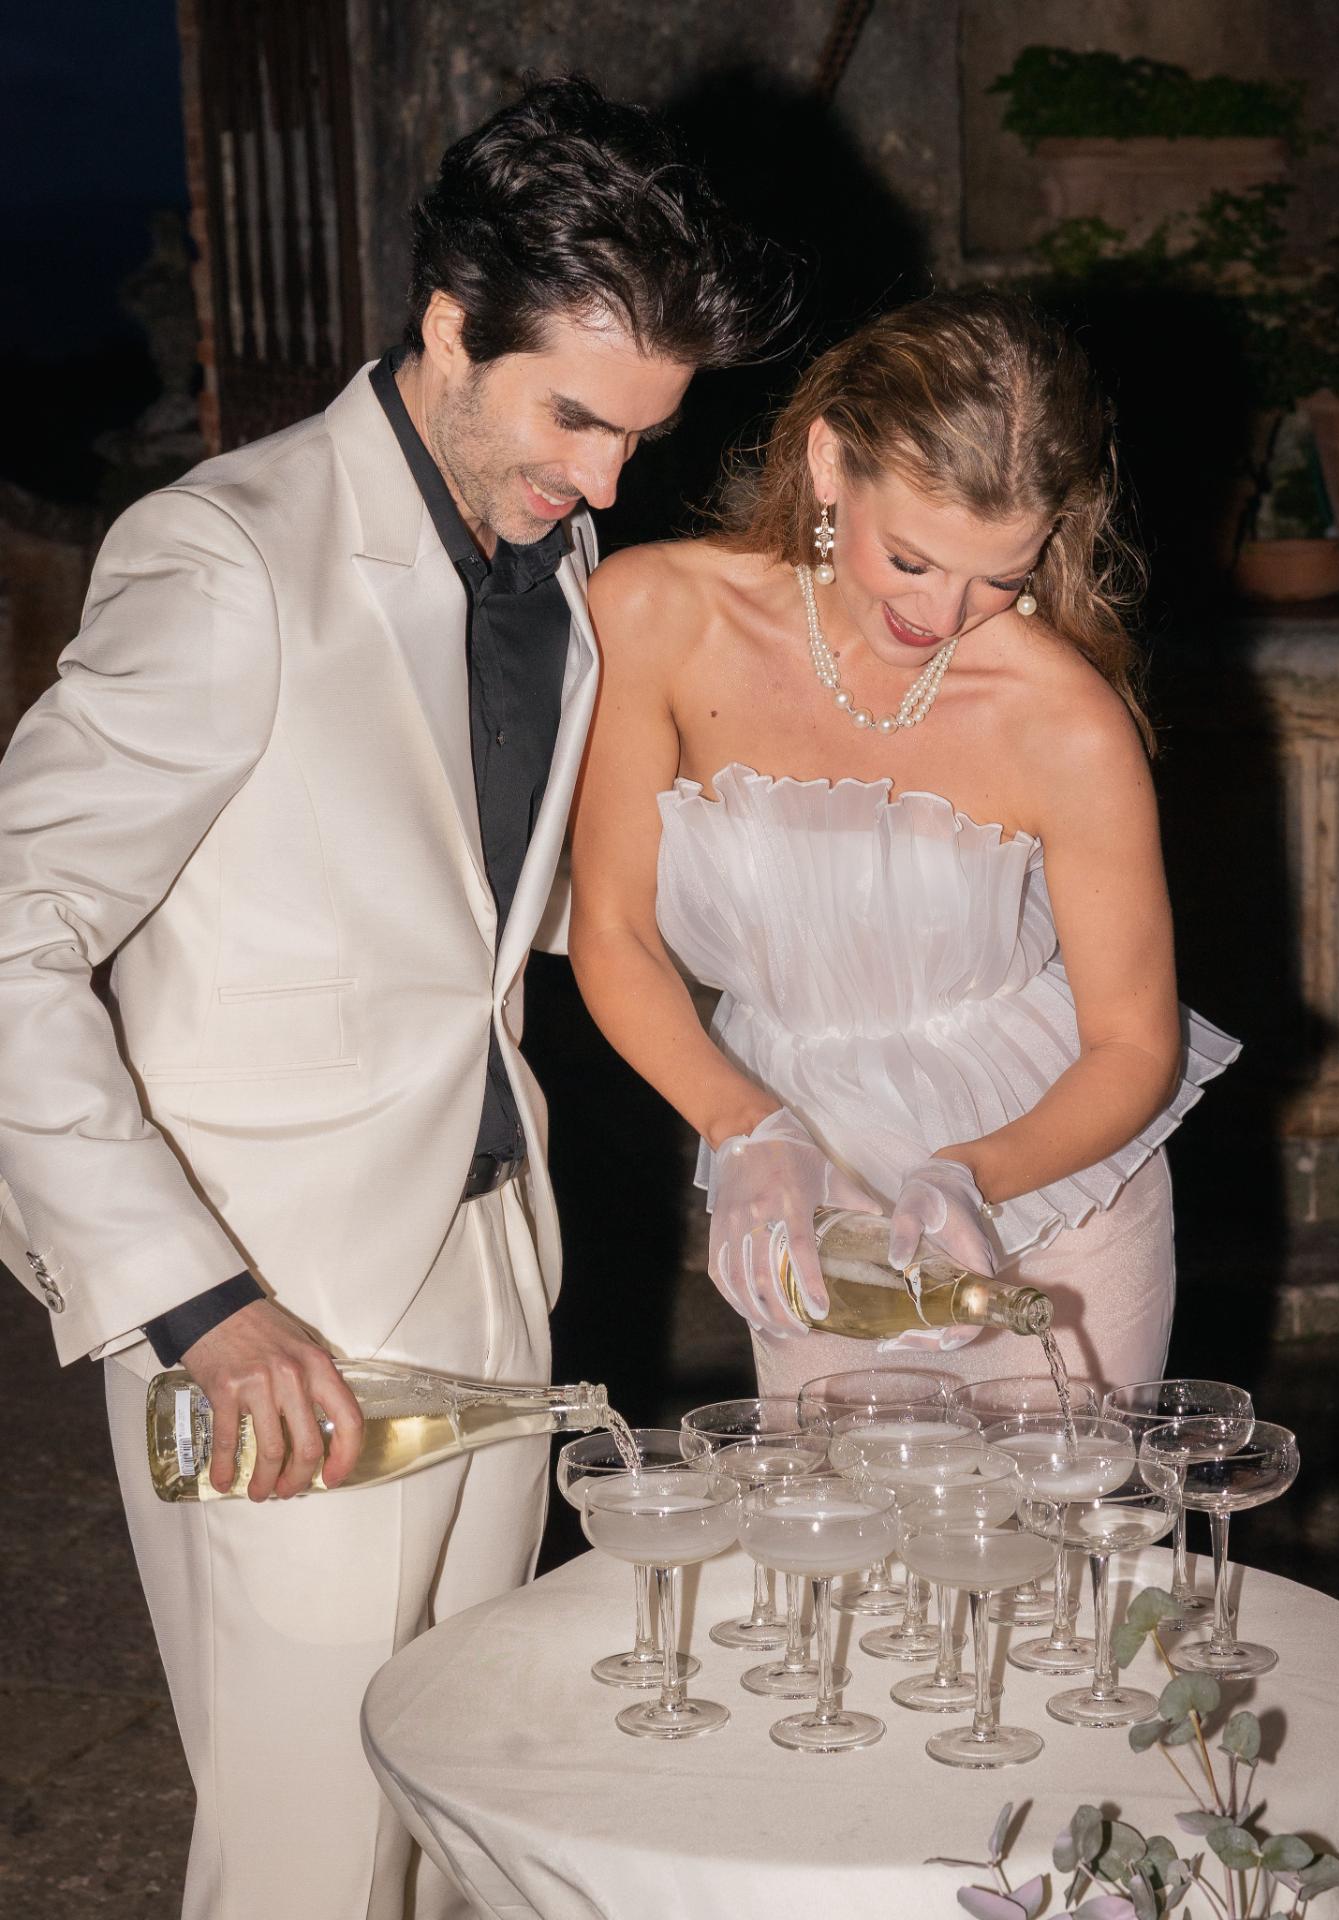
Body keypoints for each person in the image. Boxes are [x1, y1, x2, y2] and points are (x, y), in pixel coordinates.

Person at [0, 77, 792, 1920]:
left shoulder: (557, 546)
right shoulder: (228, 559)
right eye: (576, 417)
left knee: (450, 1819)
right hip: (272, 1302)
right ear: (449, 326)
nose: (606, 483)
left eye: (642, 436)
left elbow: (491, 908)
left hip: (493, 1254)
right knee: (303, 1857)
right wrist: (197, 1303)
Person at [570, 290, 1238, 1401]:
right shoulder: (653, 615)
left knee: (1066, 1517)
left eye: (1003, 576)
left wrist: (971, 1174)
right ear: (830, 462)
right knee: (828, 1515)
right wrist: (746, 1130)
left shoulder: (1065, 722)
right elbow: (613, 932)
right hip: (809, 1203)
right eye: (915, 559)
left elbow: (1132, 1045)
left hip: (1048, 1207)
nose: (946, 613)